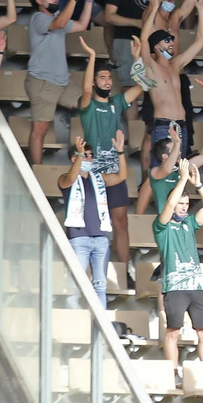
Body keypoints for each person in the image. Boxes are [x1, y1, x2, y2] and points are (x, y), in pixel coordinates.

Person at [75, 35, 144, 278]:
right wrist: (92, 57)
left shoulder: (116, 102)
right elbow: (84, 90)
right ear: (94, 81)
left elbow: (141, 86)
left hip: (115, 170)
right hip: (91, 171)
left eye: (108, 78)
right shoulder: (87, 105)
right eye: (102, 77)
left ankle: (124, 272)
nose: (107, 81)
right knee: (94, 224)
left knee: (121, 220)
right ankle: (96, 273)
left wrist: (137, 59)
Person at [138, 0, 203, 157]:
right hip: (155, 74)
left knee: (185, 123)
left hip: (177, 73)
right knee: (152, 131)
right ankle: (149, 175)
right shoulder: (152, 14)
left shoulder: (175, 18)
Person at [24, 0, 98, 164]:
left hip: (62, 81)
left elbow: (81, 24)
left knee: (88, 105)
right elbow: (59, 23)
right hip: (43, 82)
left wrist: (88, 1)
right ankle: (37, 173)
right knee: (40, 130)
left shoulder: (56, 18)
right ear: (39, 1)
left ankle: (86, 156)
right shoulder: (38, 18)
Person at [156, 160, 203, 370]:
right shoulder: (161, 226)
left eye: (186, 204)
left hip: (197, 287)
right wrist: (182, 179)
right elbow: (169, 205)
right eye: (181, 204)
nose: (184, 208)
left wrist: (198, 185)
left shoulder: (189, 223)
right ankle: (171, 373)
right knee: (173, 332)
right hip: (175, 288)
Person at [59, 135, 115, 302]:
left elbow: (121, 177)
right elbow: (69, 179)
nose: (89, 158)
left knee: (100, 284)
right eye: (85, 155)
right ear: (74, 158)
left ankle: (100, 325)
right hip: (79, 237)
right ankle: (72, 321)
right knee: (74, 284)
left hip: (100, 237)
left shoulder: (97, 179)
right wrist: (80, 154)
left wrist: (119, 152)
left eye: (90, 155)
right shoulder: (65, 178)